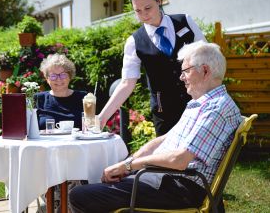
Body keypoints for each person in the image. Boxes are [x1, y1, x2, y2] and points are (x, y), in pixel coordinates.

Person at [69, 41, 241, 213]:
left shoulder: (216, 108)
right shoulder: (200, 103)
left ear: (205, 71)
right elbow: (164, 140)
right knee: (95, 183)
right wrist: (128, 164)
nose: (181, 77)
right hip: (164, 180)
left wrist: (128, 167)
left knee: (80, 195)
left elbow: (179, 160)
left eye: (186, 71)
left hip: (179, 188)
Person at [99, 0, 207, 136]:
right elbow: (127, 83)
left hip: (197, 101)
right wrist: (102, 118)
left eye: (148, 8)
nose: (144, 14)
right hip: (164, 112)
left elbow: (208, 59)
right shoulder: (134, 42)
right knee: (168, 157)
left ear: (159, 0)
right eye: (138, 11)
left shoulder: (185, 22)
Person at [34, 53, 87, 130]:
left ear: (70, 76)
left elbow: (92, 125)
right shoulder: (38, 99)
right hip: (46, 142)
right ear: (46, 78)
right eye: (53, 76)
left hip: (76, 141)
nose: (58, 79)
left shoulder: (84, 98)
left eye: (63, 75)